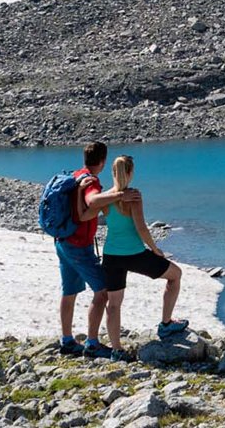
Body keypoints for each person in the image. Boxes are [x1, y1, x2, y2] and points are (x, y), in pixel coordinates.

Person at [56, 140, 140, 358]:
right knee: (102, 291)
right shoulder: (90, 181)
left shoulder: (76, 175)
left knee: (69, 291)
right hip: (78, 246)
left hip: (63, 240)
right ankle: (92, 343)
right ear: (102, 162)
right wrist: (121, 195)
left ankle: (67, 340)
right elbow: (92, 201)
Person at [99, 153, 188, 355]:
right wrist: (155, 249)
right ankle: (166, 324)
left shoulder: (105, 198)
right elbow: (141, 228)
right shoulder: (134, 196)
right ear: (129, 173)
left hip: (111, 256)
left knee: (113, 304)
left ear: (113, 172)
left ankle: (116, 350)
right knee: (175, 275)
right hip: (135, 254)